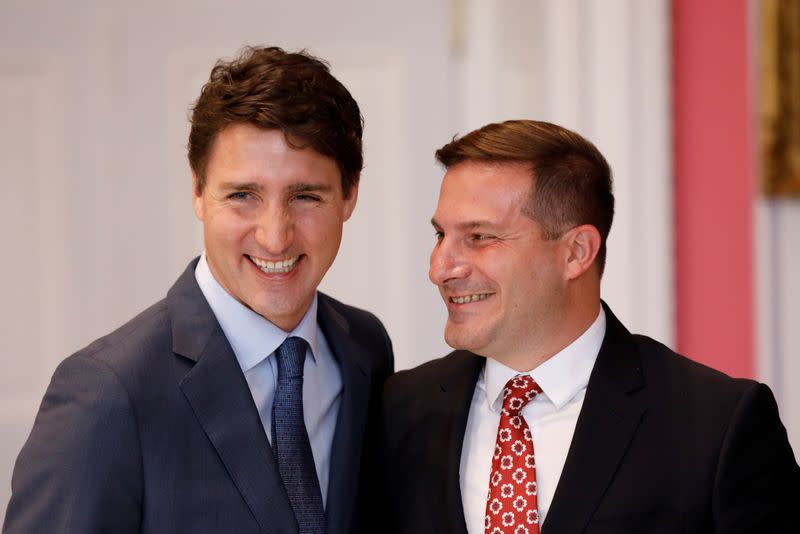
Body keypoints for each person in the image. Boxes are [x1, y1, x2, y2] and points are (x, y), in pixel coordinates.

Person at [3, 46, 393, 534]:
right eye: (242, 196)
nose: (276, 235)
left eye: (306, 196)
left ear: (350, 195)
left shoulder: (364, 347)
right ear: (197, 192)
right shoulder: (107, 393)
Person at [380, 119, 799, 533]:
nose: (440, 268)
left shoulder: (719, 425)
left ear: (577, 252)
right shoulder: (400, 408)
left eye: (479, 237)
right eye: (440, 236)